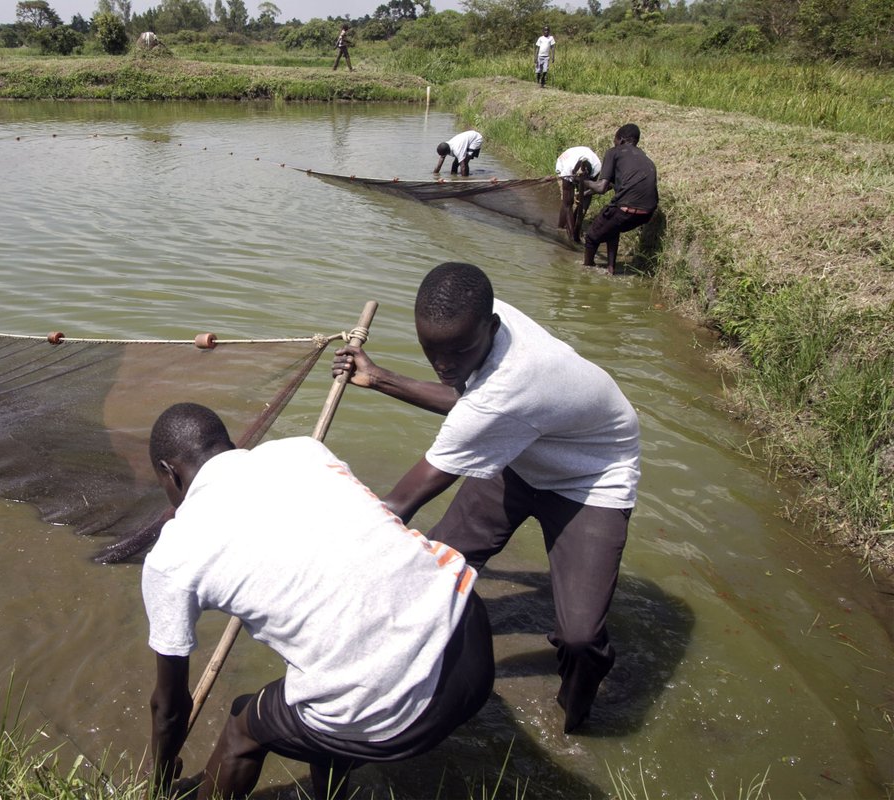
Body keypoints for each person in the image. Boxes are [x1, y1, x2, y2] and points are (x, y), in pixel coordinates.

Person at [332, 262, 640, 735]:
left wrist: (327, 553)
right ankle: (404, 669)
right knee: (431, 574)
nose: (446, 366)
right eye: (431, 351)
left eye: (458, 351)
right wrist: (379, 379)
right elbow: (473, 403)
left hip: (591, 477)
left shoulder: (513, 386)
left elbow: (400, 504)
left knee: (580, 639)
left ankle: (576, 718)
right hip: (519, 451)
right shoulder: (485, 325)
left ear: (491, 325)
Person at [143, 403, 495, 800]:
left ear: (169, 472)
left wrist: (159, 774)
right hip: (472, 639)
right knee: (320, 692)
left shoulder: (171, 558)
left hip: (401, 710)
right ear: (226, 444)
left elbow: (170, 710)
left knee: (243, 726)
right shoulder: (302, 450)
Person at [582, 123, 658, 274]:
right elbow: (615, 184)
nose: (614, 143)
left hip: (625, 209)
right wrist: (587, 193)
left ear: (621, 140)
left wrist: (582, 181)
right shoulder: (643, 157)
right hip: (647, 213)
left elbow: (601, 188)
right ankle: (611, 269)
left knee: (591, 237)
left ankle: (586, 271)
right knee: (612, 226)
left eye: (614, 140)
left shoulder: (614, 152)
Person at [555, 145, 602, 244]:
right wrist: (573, 238)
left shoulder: (596, 166)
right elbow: (567, 205)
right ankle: (561, 228)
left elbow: (591, 191)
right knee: (568, 201)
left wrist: (578, 225)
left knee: (585, 197)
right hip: (566, 165)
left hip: (585, 160)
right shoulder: (567, 169)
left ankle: (575, 226)